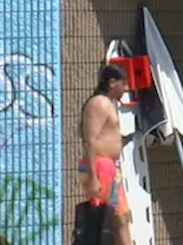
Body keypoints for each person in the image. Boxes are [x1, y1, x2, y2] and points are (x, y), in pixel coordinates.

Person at [78, 63, 131, 245]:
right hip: (99, 167)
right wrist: (93, 176)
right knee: (110, 219)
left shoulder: (108, 104)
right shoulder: (99, 103)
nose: (126, 88)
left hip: (109, 167)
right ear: (111, 83)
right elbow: (90, 139)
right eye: (123, 84)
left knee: (120, 218)